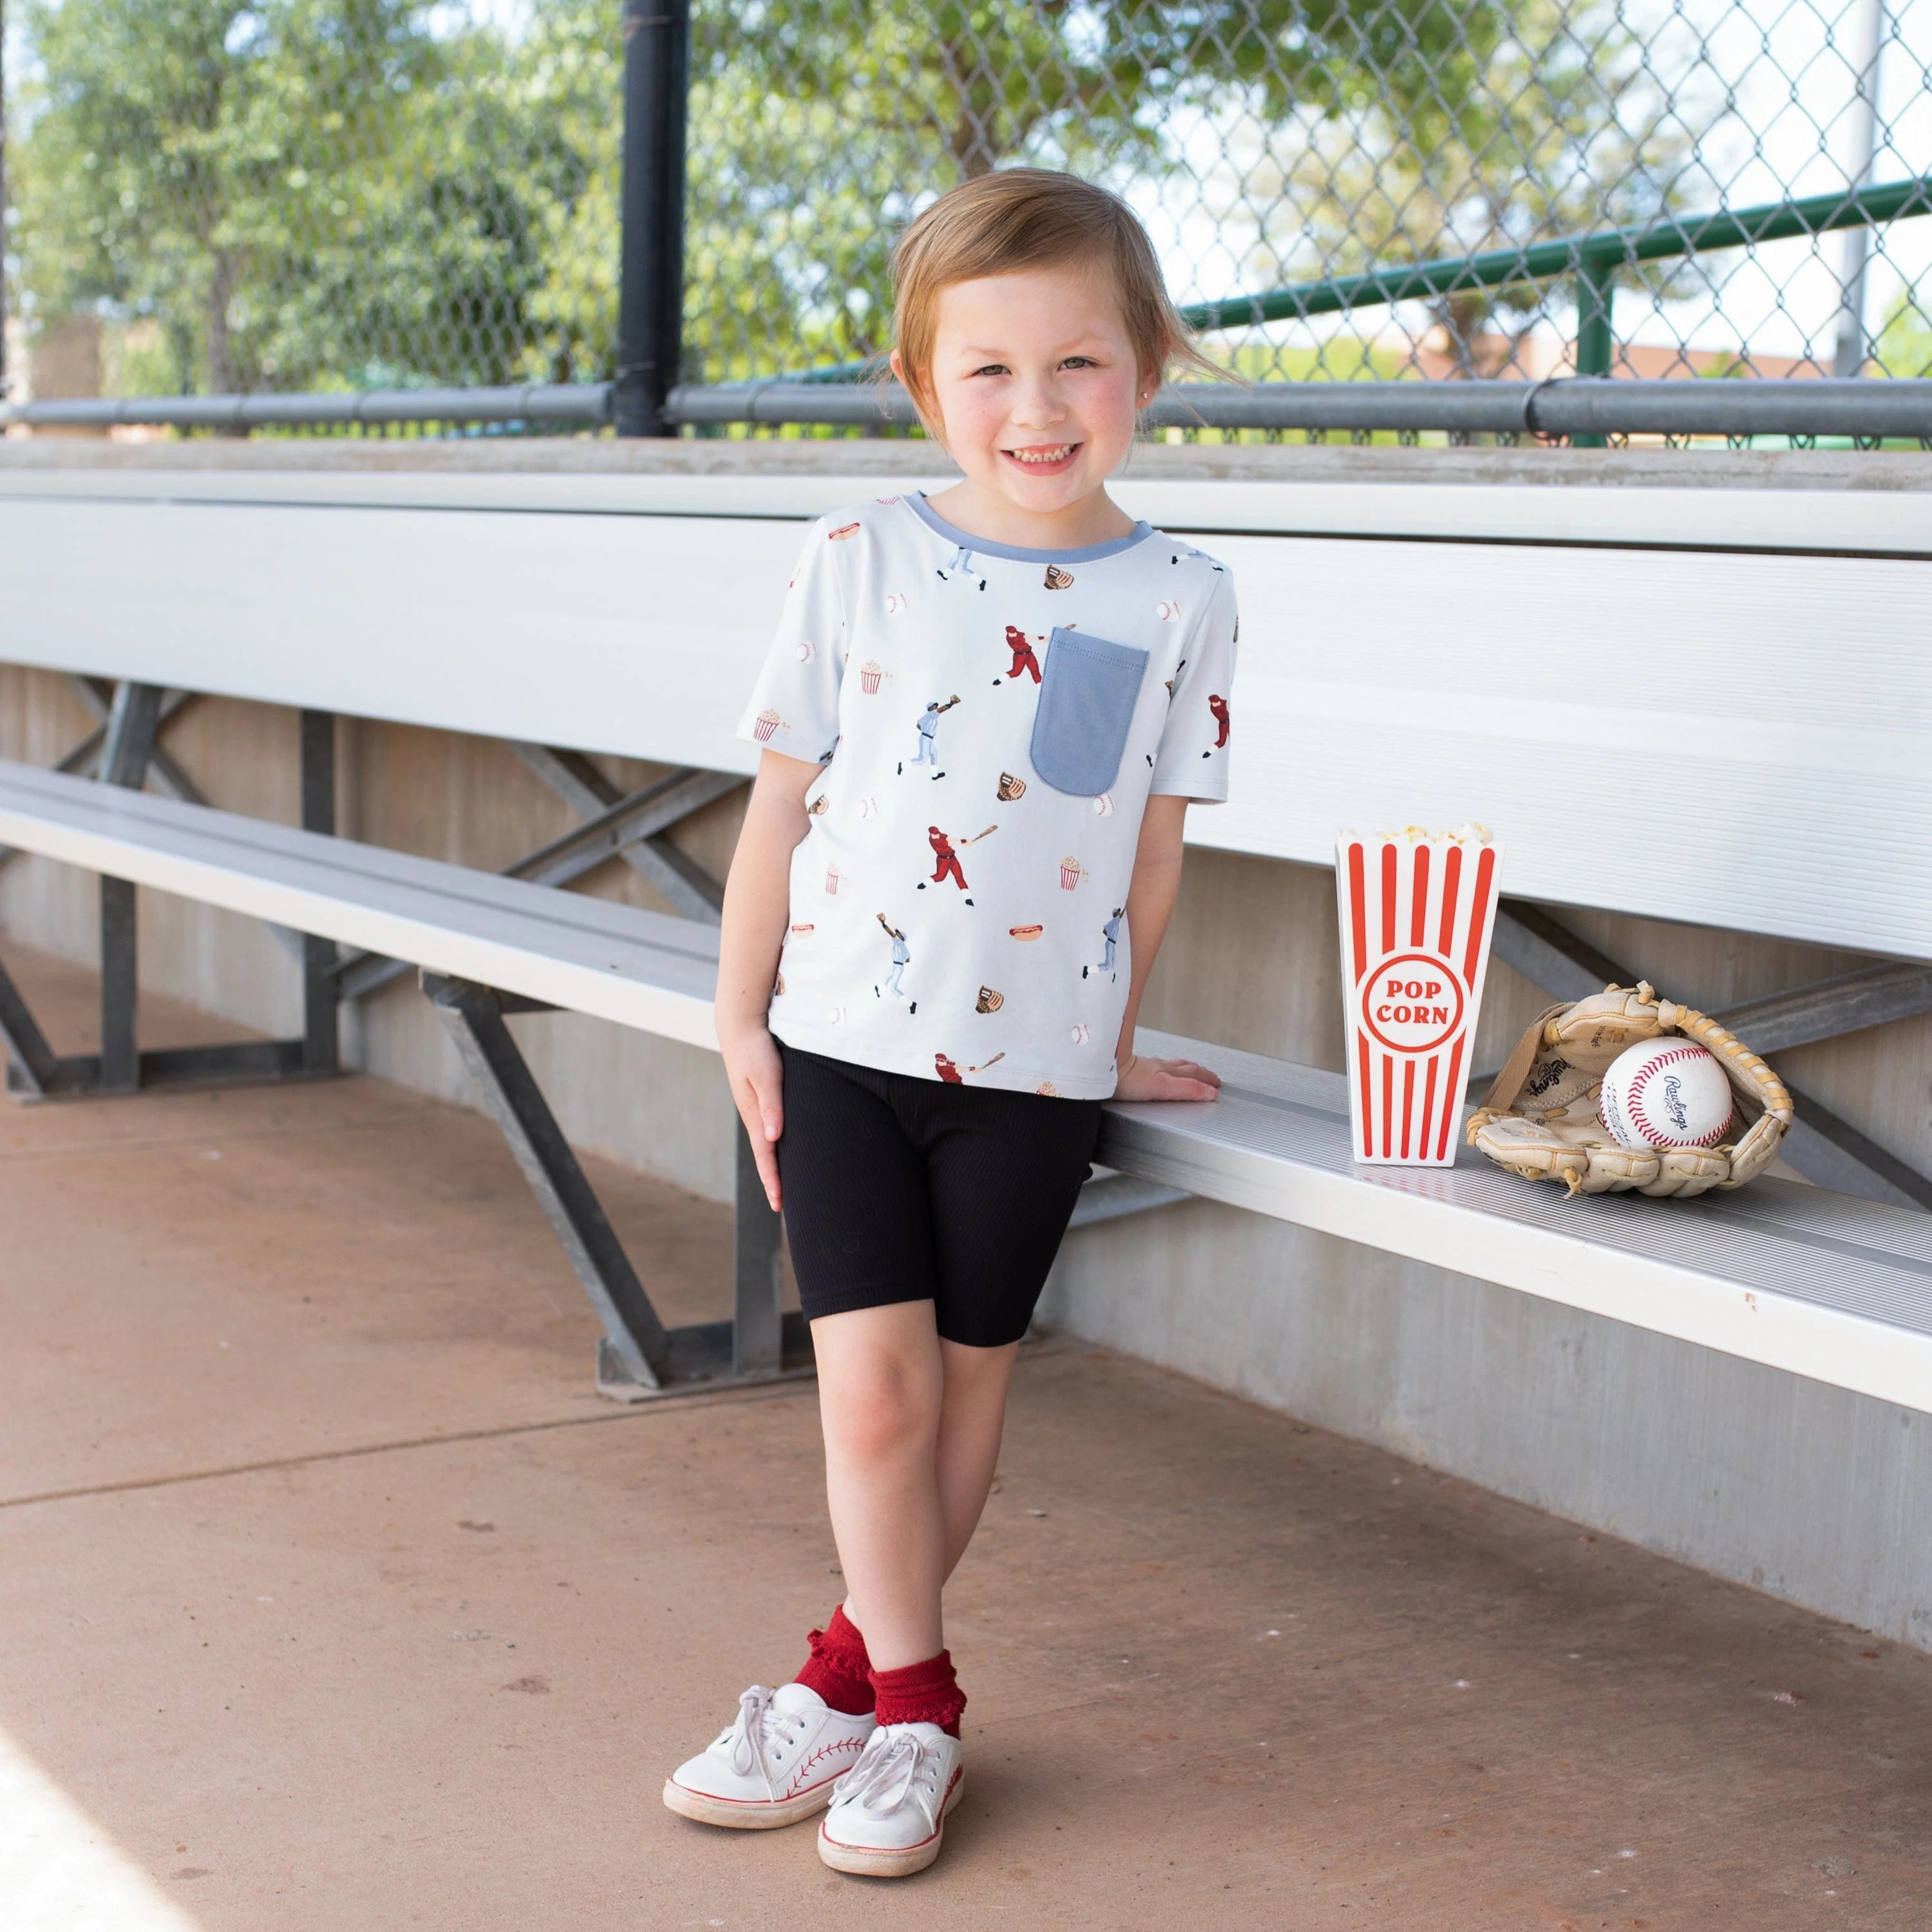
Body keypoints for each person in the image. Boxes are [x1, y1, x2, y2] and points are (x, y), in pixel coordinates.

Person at [665, 167, 1239, 1880]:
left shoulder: (1182, 594)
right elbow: (778, 807)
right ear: (928, 386)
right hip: (841, 1043)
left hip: (1035, 1071)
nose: (1038, 407)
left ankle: (842, 1680)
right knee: (874, 1406)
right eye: (988, 370)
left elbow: (1148, 842)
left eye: (1080, 364)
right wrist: (740, 1019)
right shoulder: (860, 554)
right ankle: (919, 1707)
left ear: (1146, 368)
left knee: (967, 1397)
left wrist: (1115, 1036)